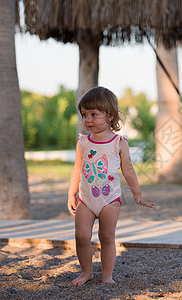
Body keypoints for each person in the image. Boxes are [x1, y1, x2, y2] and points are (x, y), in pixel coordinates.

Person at [67, 86, 155, 286]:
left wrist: (137, 194)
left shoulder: (119, 143)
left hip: (110, 199)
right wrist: (71, 194)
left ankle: (107, 275)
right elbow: (76, 169)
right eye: (84, 115)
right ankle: (86, 272)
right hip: (86, 199)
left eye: (93, 114)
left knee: (106, 236)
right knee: (81, 236)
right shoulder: (83, 142)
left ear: (110, 115)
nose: (87, 119)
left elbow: (129, 170)